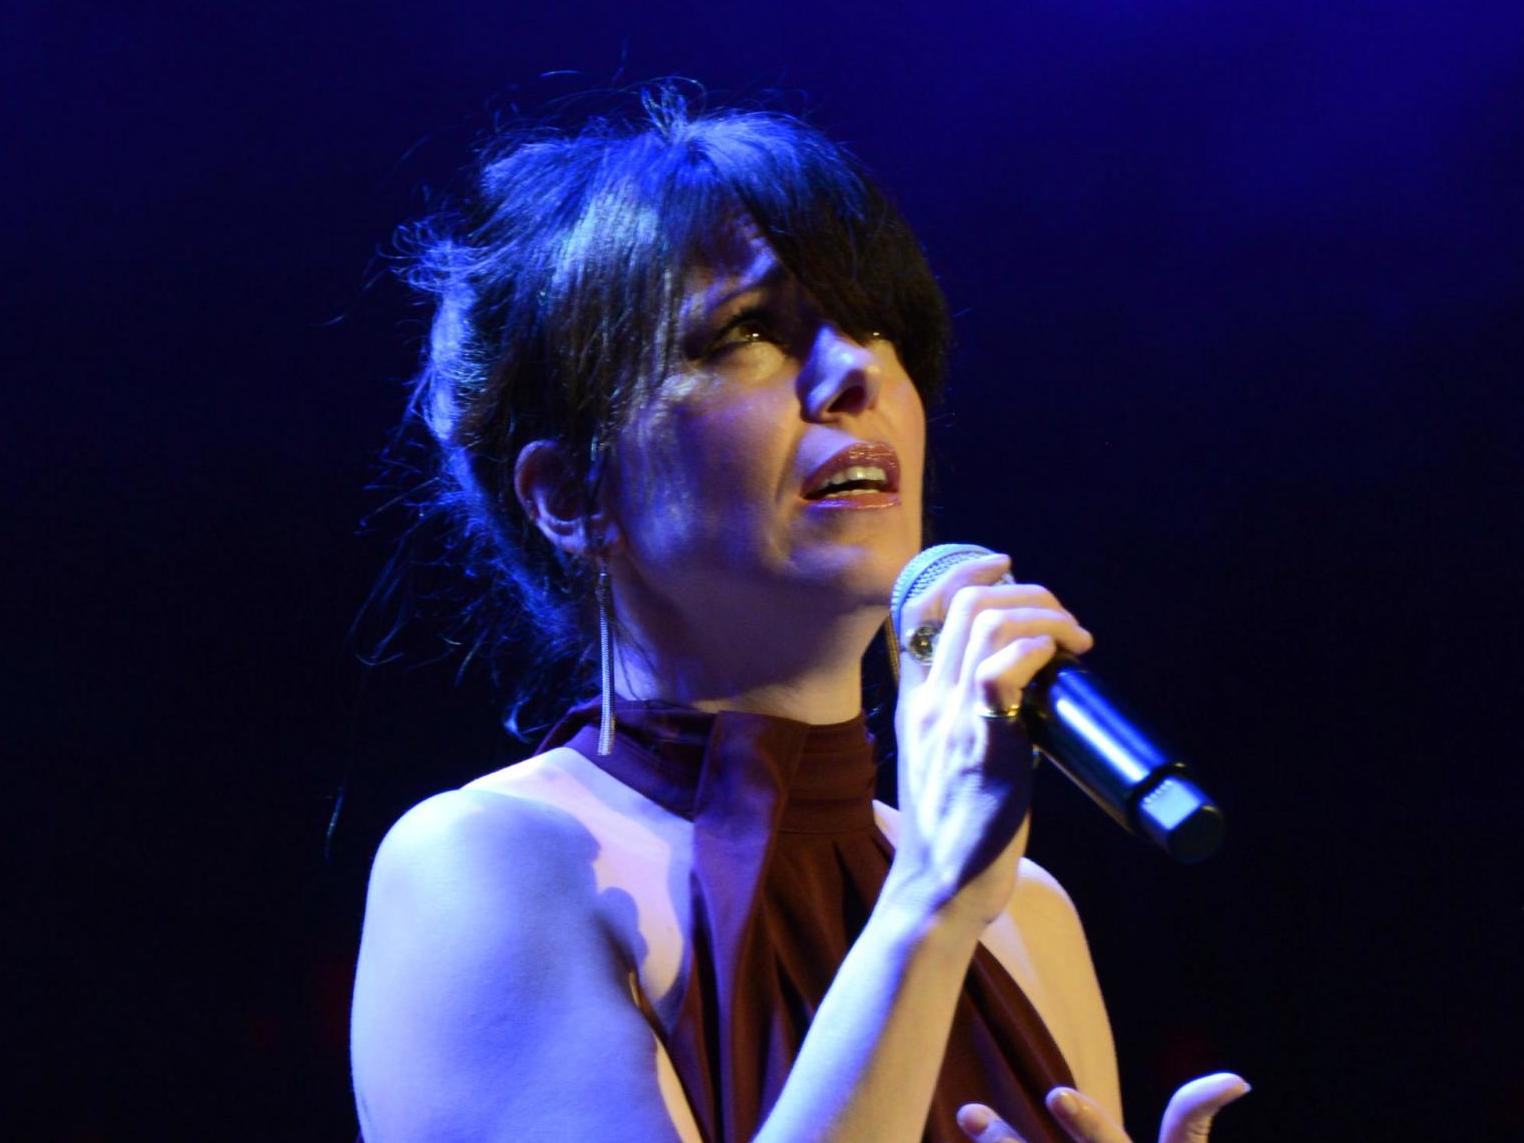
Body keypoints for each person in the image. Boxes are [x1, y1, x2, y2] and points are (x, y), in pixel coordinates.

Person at [350, 88, 1249, 1143]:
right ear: (568, 495)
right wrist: (926, 906)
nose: (859, 369)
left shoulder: (1025, 914)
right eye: (747, 333)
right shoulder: (493, 865)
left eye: (879, 327)